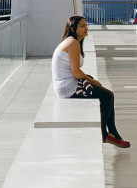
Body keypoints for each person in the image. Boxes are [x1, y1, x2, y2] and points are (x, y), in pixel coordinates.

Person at [51, 15, 130, 148]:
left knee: (103, 91)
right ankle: (105, 134)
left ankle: (112, 133)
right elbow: (76, 72)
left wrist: (89, 79)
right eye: (82, 26)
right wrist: (93, 82)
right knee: (107, 95)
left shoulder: (73, 42)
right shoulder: (72, 43)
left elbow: (73, 71)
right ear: (73, 28)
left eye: (86, 25)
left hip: (67, 83)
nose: (86, 28)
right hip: (67, 88)